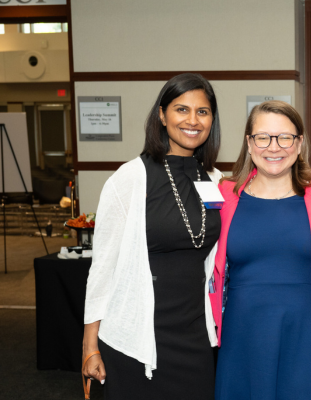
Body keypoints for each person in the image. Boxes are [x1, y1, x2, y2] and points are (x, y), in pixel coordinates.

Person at [82, 73, 222, 399]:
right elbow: (102, 269)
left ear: (212, 119)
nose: (192, 120)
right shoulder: (130, 178)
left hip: (196, 333)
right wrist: (90, 346)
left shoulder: (213, 179)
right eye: (181, 109)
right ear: (162, 114)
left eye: (202, 111)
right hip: (138, 335)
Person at [212, 101, 311, 399]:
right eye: (263, 137)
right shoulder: (223, 197)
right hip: (243, 333)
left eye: (285, 137)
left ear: (299, 143)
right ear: (249, 144)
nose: (273, 147)